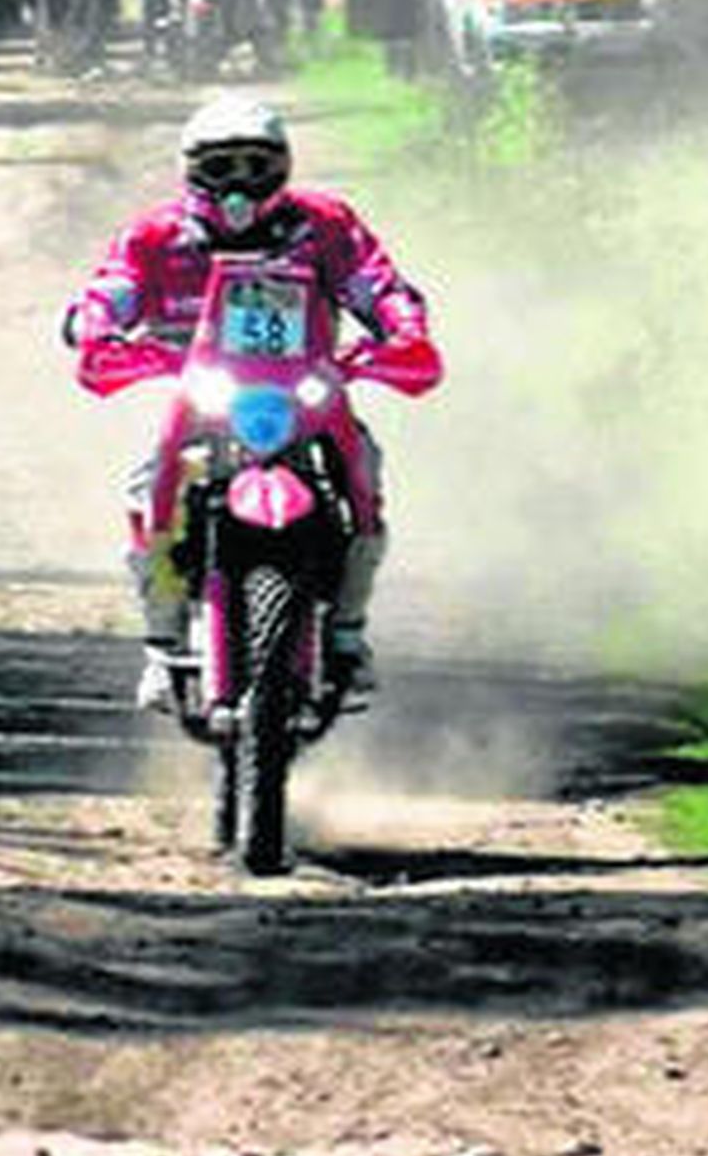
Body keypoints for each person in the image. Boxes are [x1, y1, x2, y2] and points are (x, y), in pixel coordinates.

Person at [66, 95, 443, 715]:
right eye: (222, 167)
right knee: (147, 492)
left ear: (283, 166)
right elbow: (112, 290)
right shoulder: (155, 237)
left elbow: (378, 284)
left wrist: (402, 330)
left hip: (307, 389)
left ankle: (348, 632)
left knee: (365, 477)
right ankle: (163, 645)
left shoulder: (324, 225)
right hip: (202, 391)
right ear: (193, 171)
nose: (239, 183)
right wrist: (94, 325)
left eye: (255, 165)